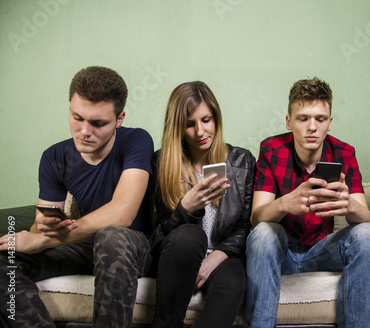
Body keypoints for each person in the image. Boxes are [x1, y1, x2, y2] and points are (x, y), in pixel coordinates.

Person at [0, 66, 155, 328]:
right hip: (81, 249)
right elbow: (43, 223)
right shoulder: (54, 157)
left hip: (131, 248)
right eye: (77, 118)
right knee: (7, 257)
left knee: (112, 235)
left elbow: (122, 213)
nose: (84, 131)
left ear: (119, 119)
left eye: (98, 123)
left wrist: (42, 241)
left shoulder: (136, 140)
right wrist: (42, 228)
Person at [244, 77, 370, 328]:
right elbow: (256, 217)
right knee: (264, 232)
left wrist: (349, 205)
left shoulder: (344, 153)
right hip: (282, 251)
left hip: (322, 251)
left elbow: (365, 218)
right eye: (303, 118)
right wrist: (286, 203)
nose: (312, 127)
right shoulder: (271, 150)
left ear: (329, 123)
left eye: (320, 119)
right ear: (289, 121)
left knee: (368, 234)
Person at [150, 81, 255, 328]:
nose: (200, 131)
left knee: (233, 280)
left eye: (206, 120)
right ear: (177, 127)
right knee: (189, 234)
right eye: (189, 124)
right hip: (178, 254)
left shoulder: (242, 161)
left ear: (216, 119)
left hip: (222, 256)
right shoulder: (161, 162)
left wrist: (213, 260)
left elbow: (243, 228)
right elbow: (159, 233)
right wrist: (187, 208)